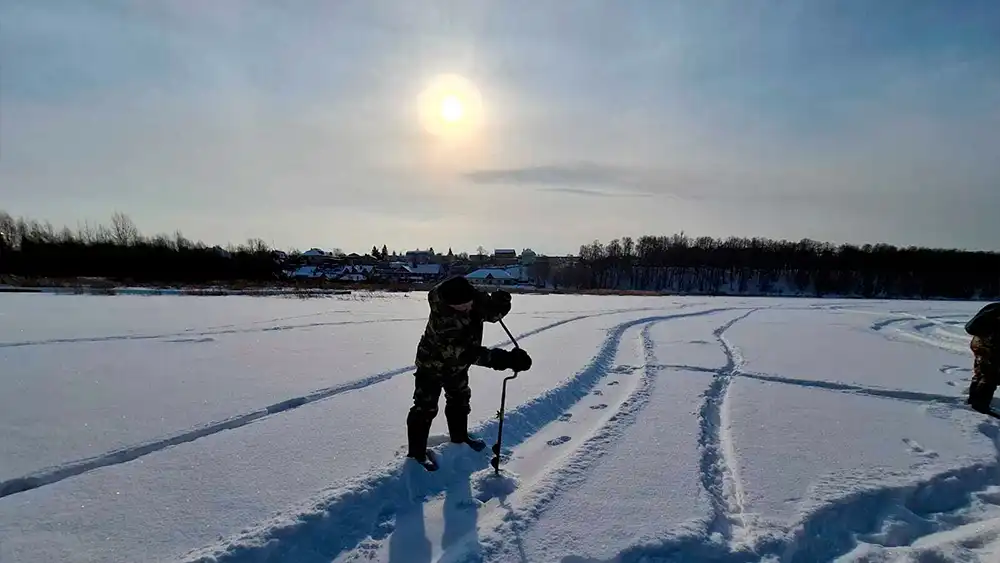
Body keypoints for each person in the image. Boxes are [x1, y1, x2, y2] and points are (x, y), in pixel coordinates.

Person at [406, 275, 533, 470]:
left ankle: (460, 439)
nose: (466, 310)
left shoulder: (472, 297)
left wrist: (502, 303)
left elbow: (490, 313)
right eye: (460, 308)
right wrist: (506, 359)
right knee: (425, 407)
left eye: (467, 305)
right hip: (432, 363)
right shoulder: (444, 318)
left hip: (458, 366)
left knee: (459, 398)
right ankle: (417, 456)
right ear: (450, 304)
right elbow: (466, 354)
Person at [965, 302, 1000, 414]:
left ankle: (973, 400)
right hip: (989, 345)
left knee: (981, 372)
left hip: (978, 342)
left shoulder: (994, 307)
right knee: (990, 376)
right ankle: (980, 406)